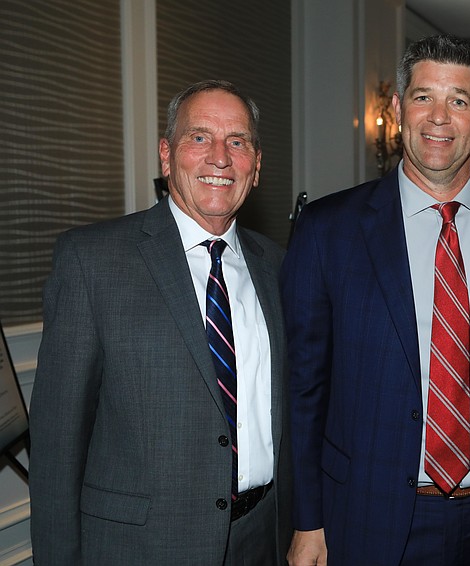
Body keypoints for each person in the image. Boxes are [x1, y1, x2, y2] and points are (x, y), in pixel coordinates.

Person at [281, 34, 470, 565]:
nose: (439, 117)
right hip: (371, 516)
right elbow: (304, 387)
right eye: (423, 96)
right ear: (396, 108)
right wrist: (307, 520)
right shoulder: (328, 230)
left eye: (459, 100)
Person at [29, 80, 292, 565]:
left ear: (256, 166)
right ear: (166, 156)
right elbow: (56, 447)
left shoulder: (278, 267)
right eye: (199, 138)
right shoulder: (92, 261)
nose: (220, 157)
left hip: (262, 541)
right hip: (142, 549)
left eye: (238, 141)